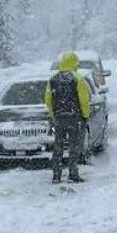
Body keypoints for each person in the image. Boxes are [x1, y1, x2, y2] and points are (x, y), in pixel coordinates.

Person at [45, 52, 91, 184]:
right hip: (75, 117)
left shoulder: (53, 79)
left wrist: (54, 114)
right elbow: (84, 100)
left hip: (59, 118)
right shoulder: (78, 78)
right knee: (74, 147)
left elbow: (48, 99)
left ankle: (56, 175)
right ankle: (73, 173)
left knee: (58, 146)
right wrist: (85, 115)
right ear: (74, 63)